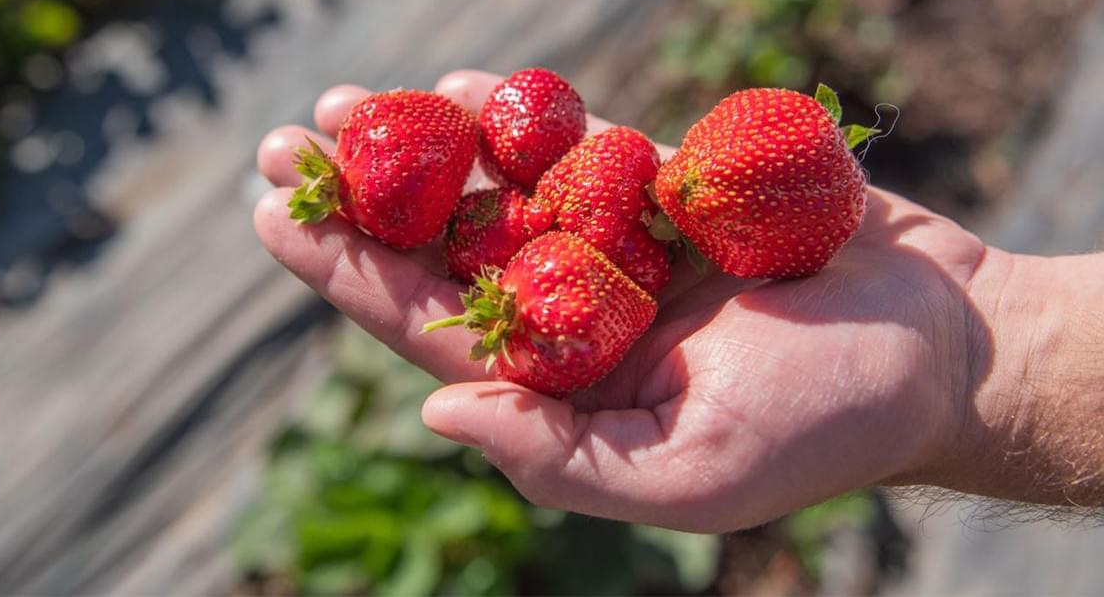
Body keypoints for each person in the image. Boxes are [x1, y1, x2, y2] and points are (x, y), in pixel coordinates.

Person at [253, 69, 1103, 532]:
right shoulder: (615, 197)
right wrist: (970, 363)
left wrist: (964, 368)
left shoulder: (675, 191)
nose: (688, 189)